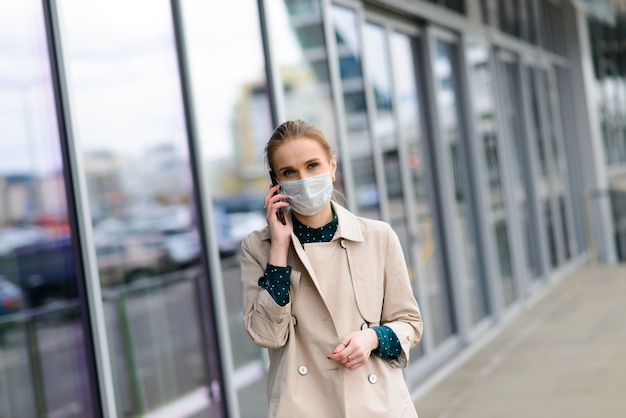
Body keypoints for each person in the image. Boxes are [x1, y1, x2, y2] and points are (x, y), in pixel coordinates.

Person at [241, 119, 423, 418]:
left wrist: (372, 338)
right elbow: (265, 336)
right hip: (301, 406)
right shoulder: (258, 247)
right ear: (276, 182)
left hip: (376, 403)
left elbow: (410, 323)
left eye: (312, 165)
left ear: (332, 166)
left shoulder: (378, 236)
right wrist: (279, 249)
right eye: (290, 172)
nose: (303, 179)